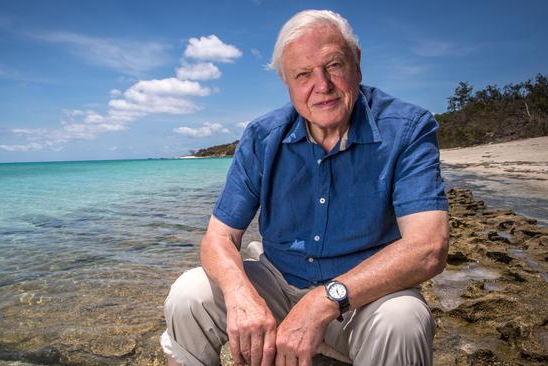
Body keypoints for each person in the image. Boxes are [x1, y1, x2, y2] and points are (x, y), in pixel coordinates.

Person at [161, 9, 449, 366]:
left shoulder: (407, 128)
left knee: (404, 319)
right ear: (287, 81)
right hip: (279, 282)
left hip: (362, 299)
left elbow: (428, 248)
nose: (322, 86)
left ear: (356, 62)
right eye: (303, 75)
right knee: (189, 295)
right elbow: (218, 239)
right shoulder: (262, 137)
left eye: (333, 65)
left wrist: (323, 301)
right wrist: (240, 296)